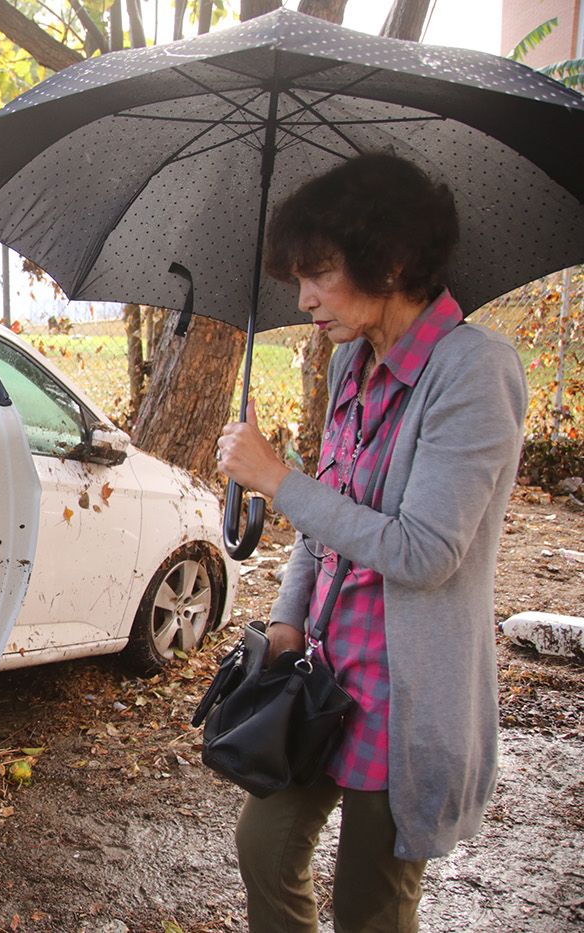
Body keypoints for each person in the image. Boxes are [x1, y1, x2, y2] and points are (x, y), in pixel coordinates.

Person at [215, 151, 528, 933]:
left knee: (370, 906)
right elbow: (328, 516)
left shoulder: (474, 372)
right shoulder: (352, 362)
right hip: (325, 674)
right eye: (298, 277)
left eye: (319, 272)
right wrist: (287, 618)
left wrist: (278, 479)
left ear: (389, 261)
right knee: (264, 846)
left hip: (404, 694)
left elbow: (425, 552)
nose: (304, 298)